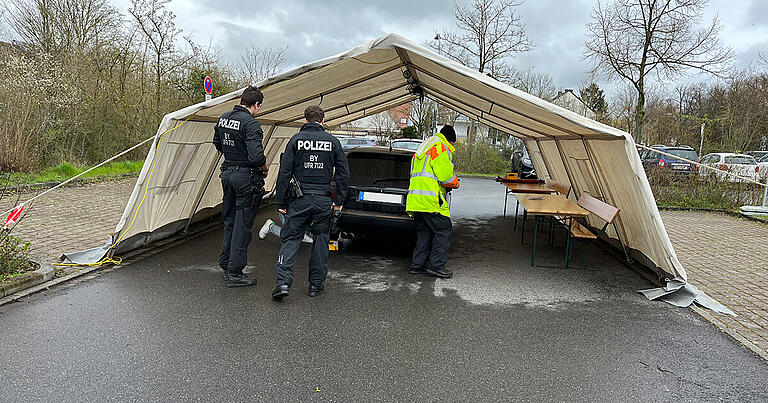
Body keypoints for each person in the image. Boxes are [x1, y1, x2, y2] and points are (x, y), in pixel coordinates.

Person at [271, 105, 349, 299]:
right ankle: (315, 285)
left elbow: (284, 173)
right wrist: (338, 201)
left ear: (305, 121)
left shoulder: (296, 140)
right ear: (323, 121)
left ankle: (282, 284)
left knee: (291, 239)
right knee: (321, 240)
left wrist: (281, 201)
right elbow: (343, 173)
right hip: (323, 200)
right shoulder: (333, 141)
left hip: (299, 200)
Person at [213, 85, 269, 288]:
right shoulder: (251, 124)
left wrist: (233, 154)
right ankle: (235, 272)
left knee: (229, 220)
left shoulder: (223, 118)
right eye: (259, 107)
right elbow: (257, 157)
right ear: (256, 105)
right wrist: (264, 168)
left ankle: (226, 262)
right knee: (242, 226)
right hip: (246, 178)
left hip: (227, 174)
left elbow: (217, 143)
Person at [405, 125, 460, 279]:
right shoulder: (440, 148)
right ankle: (436, 267)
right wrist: (456, 183)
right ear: (450, 140)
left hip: (416, 200)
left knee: (425, 233)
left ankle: (417, 266)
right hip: (431, 201)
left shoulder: (424, 147)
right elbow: (445, 177)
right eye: (453, 143)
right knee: (444, 231)